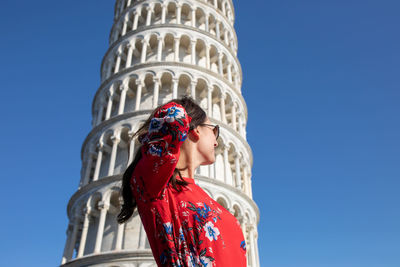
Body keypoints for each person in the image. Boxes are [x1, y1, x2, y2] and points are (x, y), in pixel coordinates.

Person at [117, 96, 247, 267]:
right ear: (195, 130)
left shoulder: (204, 198)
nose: (217, 142)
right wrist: (189, 111)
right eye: (214, 131)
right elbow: (174, 115)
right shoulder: (157, 186)